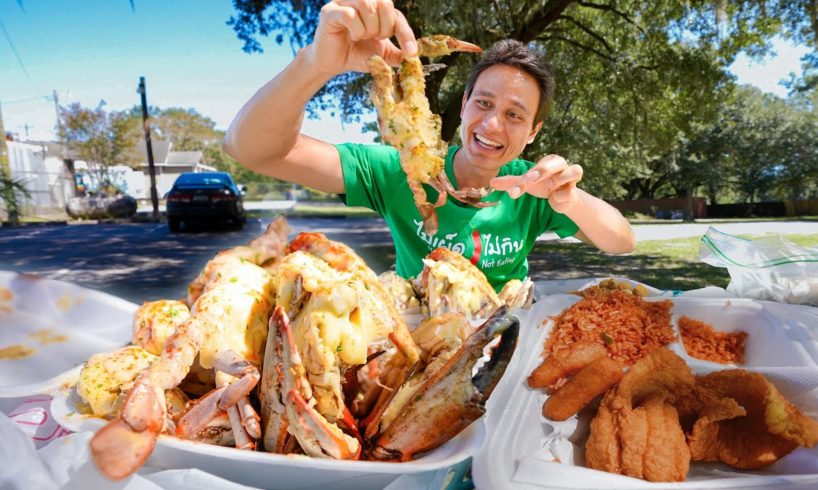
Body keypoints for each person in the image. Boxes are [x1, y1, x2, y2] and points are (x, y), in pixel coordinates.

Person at [224, 0, 635, 291]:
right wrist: (316, 63)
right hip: (418, 353)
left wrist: (569, 198)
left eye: (514, 115)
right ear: (464, 105)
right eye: (484, 103)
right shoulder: (398, 169)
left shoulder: (531, 186)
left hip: (508, 349)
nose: (492, 123)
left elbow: (621, 241)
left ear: (532, 131)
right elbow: (253, 150)